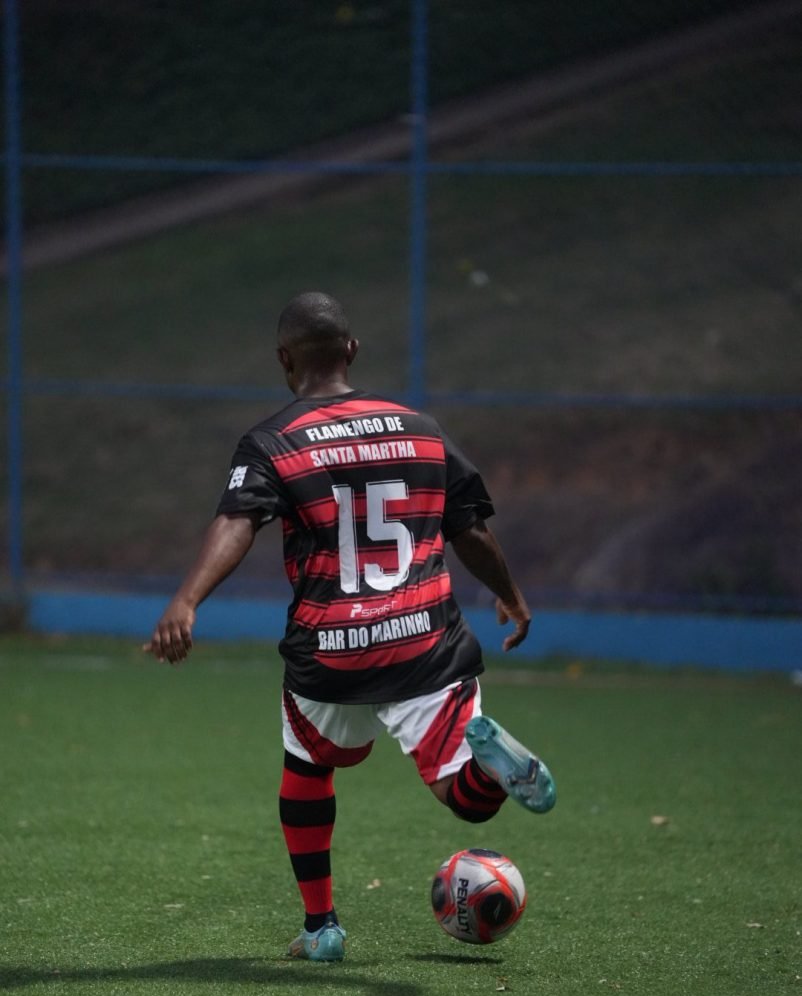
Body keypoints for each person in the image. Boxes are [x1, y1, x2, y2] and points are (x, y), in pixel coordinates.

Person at [144, 292, 556, 962]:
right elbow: (469, 528)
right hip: (426, 639)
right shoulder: (421, 428)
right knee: (468, 800)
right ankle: (488, 767)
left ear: (284, 360)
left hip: (332, 649)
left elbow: (238, 522)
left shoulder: (274, 441)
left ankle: (322, 927)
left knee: (308, 771)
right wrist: (509, 595)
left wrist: (187, 601)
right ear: (352, 350)